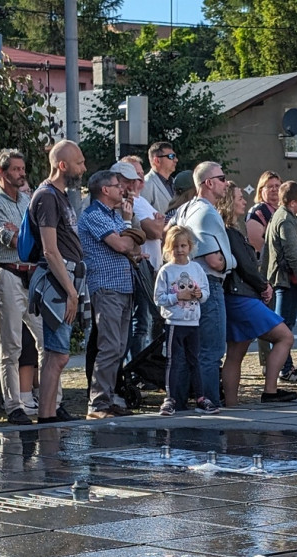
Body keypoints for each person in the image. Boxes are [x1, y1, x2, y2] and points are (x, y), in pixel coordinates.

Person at [0, 148, 45, 425]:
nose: (21, 173)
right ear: (1, 172)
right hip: (8, 272)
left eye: (22, 168)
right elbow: (11, 239)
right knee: (11, 344)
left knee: (47, 340)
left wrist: (24, 234)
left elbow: (43, 236)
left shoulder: (28, 199)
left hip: (34, 275)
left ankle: (51, 403)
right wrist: (22, 235)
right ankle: (13, 404)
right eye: (15, 169)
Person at [217, 181, 297, 405]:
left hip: (234, 295)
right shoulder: (231, 232)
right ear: (228, 202)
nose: (244, 201)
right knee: (285, 336)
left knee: (235, 353)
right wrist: (264, 286)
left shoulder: (228, 230)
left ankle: (231, 403)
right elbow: (246, 266)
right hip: (242, 296)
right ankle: (270, 390)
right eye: (239, 197)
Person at [26, 140, 85, 424]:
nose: (82, 168)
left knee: (57, 355)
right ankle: (46, 418)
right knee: (56, 355)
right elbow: (50, 250)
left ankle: (48, 415)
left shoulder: (59, 196)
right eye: (79, 163)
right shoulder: (47, 197)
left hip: (68, 279)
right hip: (59, 281)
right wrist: (71, 291)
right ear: (62, 165)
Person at [78, 169, 140, 420]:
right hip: (107, 287)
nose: (121, 189)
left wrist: (128, 235)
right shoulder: (93, 215)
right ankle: (97, 403)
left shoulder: (112, 216)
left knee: (119, 347)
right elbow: (124, 245)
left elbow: (134, 246)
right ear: (105, 190)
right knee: (109, 345)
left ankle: (110, 396)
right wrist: (127, 224)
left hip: (124, 286)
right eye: (117, 186)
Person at [181, 161, 236, 410]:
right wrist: (228, 262)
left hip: (190, 283)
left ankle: (181, 401)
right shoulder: (206, 213)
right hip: (209, 284)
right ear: (209, 183)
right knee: (211, 351)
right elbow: (215, 260)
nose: (226, 183)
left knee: (189, 350)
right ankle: (210, 401)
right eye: (222, 178)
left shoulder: (185, 209)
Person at [154, 225, 215, 416]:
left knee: (194, 360)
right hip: (174, 323)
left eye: (183, 246)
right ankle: (170, 398)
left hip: (193, 323)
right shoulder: (166, 271)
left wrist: (198, 294)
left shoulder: (196, 268)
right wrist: (177, 296)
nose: (180, 250)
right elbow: (158, 298)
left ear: (189, 247)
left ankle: (200, 397)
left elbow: (205, 292)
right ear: (168, 248)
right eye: (175, 247)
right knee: (173, 361)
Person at [117, 156, 165, 360]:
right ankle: (136, 368)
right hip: (136, 267)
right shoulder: (129, 204)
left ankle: (145, 366)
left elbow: (156, 229)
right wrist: (158, 226)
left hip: (150, 265)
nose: (138, 180)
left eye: (138, 174)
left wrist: (158, 226)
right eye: (133, 176)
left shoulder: (139, 200)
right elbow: (152, 232)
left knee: (148, 321)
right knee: (140, 323)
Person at [265, 180, 297, 384]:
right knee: (282, 326)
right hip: (285, 279)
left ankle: (286, 365)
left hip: (285, 278)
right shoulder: (285, 220)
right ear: (292, 202)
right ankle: (283, 368)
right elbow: (292, 255)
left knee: (285, 325)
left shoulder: (286, 216)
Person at [246, 170, 281, 254]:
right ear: (261, 190)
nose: (274, 189)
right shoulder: (257, 211)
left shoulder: (283, 210)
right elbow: (255, 241)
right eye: (270, 186)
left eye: (277, 186)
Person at [141, 141, 177, 216]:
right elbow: (141, 218)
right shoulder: (145, 184)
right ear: (157, 160)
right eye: (171, 156)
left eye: (175, 156)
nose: (176, 160)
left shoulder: (175, 183)